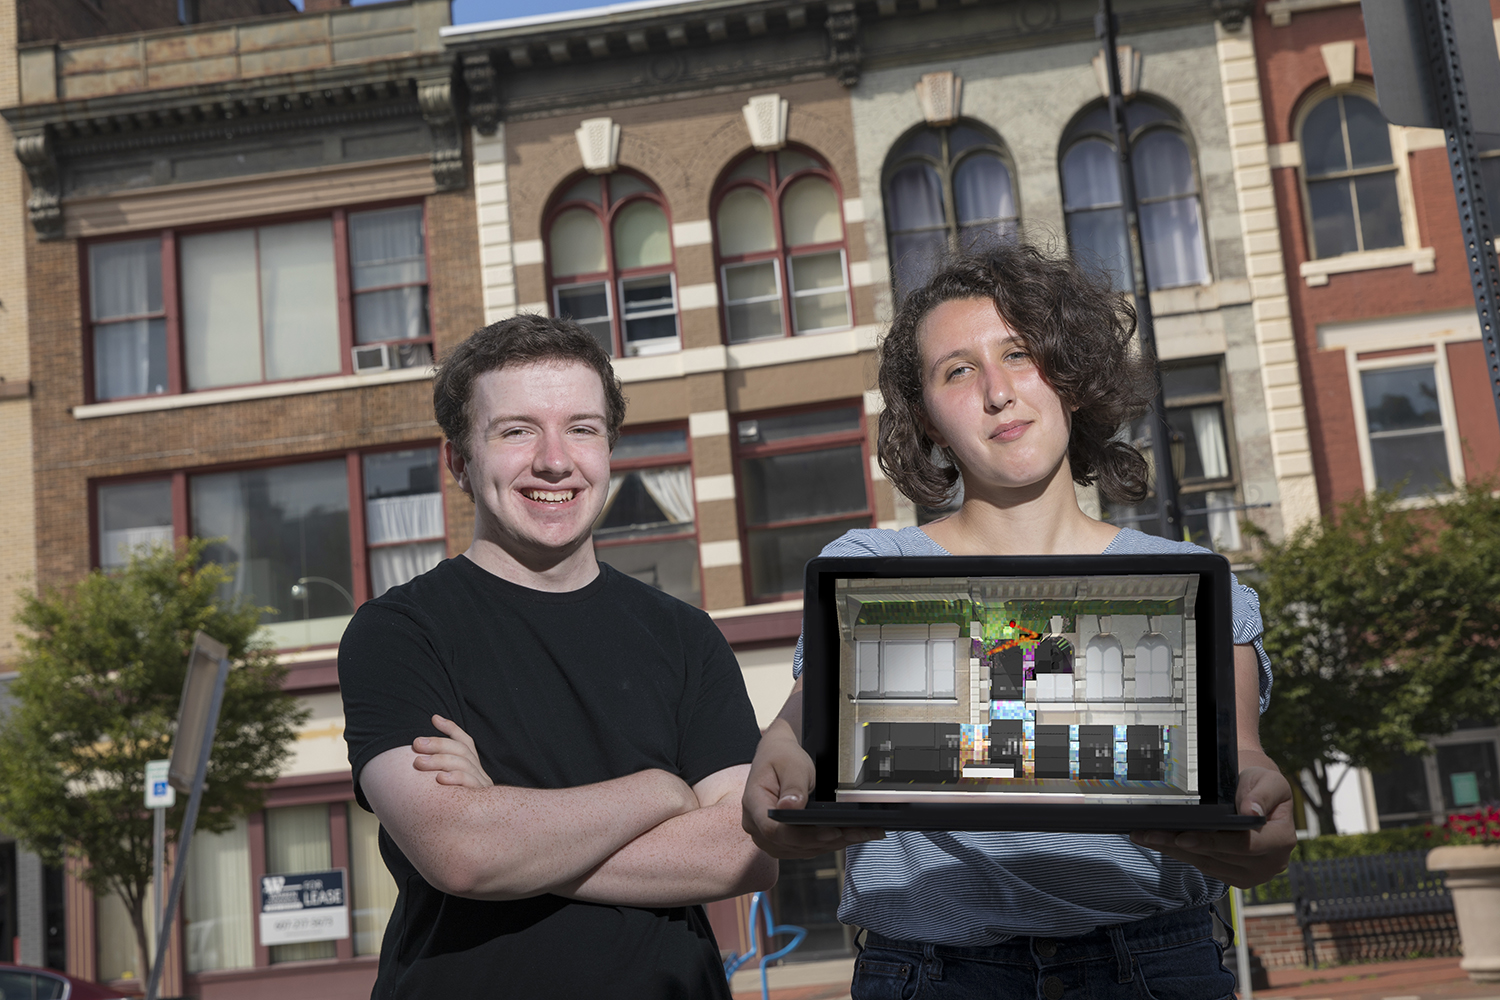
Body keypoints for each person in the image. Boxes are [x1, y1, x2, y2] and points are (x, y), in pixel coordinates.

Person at [739, 241, 1297, 998]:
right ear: (928, 419)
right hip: (928, 972)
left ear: (1071, 376)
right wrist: (778, 765)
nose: (998, 391)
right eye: (958, 370)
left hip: (1153, 968)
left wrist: (1262, 826)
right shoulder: (870, 566)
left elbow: (1245, 767)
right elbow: (800, 729)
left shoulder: (1195, 587)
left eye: (1021, 354)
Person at [338, 315, 775, 999]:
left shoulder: (686, 636)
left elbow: (744, 853)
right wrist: (663, 792)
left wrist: (509, 824)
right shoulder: (398, 633)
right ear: (459, 460)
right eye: (516, 430)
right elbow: (462, 855)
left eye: (582, 428)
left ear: (609, 449)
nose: (554, 459)